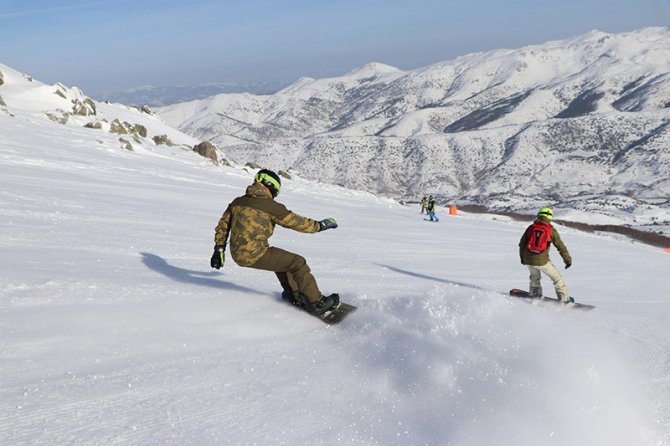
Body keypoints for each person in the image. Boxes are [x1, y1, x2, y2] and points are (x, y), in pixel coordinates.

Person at [210, 169, 340, 315]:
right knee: (297, 262)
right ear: (271, 186)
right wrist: (320, 226)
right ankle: (317, 303)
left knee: (283, 261)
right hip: (255, 254)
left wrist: (218, 250)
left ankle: (294, 295)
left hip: (237, 254)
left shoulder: (237, 202)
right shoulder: (270, 206)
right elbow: (296, 222)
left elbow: (223, 226)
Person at [518, 207, 574, 303]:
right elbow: (561, 247)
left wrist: (523, 259)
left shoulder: (531, 228)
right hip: (542, 261)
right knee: (557, 278)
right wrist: (567, 260)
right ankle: (564, 299)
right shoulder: (551, 230)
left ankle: (535, 294)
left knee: (534, 276)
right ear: (550, 217)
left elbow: (521, 244)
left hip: (528, 260)